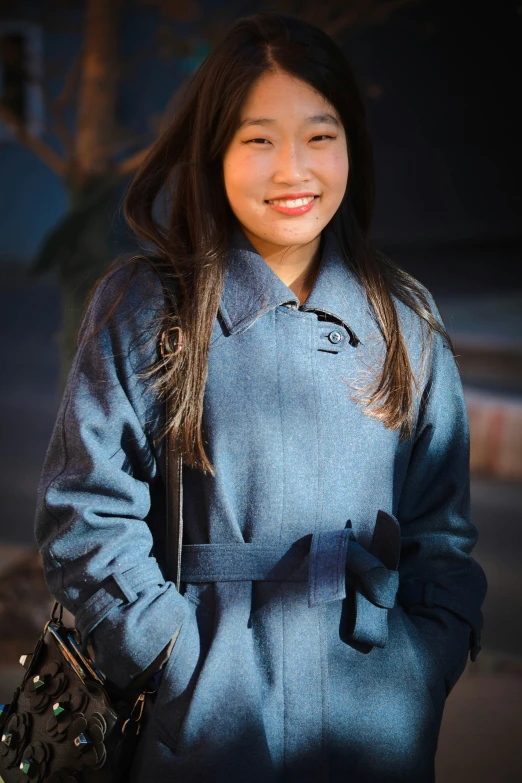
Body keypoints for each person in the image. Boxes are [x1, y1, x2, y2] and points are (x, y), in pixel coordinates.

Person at [34, 11, 487, 783]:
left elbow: (440, 534)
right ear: (214, 152)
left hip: (376, 727)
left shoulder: (405, 321)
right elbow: (84, 515)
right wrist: (175, 665)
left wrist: (422, 668)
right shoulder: (148, 308)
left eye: (319, 135)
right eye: (258, 139)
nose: (293, 169)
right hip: (203, 733)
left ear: (351, 145)